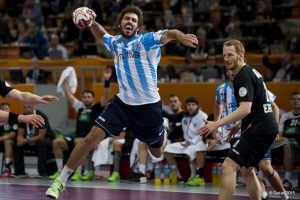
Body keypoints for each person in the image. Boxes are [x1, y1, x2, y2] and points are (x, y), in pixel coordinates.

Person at [46, 5, 198, 199]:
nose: (130, 22)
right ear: (120, 23)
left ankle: (164, 129)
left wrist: (181, 36)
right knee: (91, 137)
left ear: (138, 27)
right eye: (127, 19)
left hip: (148, 106)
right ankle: (60, 181)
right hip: (122, 104)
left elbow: (169, 33)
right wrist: (92, 22)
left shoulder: (146, 41)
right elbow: (101, 35)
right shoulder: (116, 43)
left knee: (157, 152)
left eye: (134, 20)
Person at [199, 39, 278, 200]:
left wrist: (217, 123)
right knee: (247, 170)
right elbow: (252, 108)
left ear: (241, 55)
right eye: (224, 55)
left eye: (230, 55)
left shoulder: (243, 75)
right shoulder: (249, 72)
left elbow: (245, 108)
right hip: (260, 126)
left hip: (259, 128)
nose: (226, 58)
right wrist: (236, 125)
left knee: (228, 167)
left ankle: (283, 194)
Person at [49, 68, 111, 181]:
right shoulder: (79, 107)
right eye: (85, 97)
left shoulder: (97, 108)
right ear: (82, 98)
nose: (87, 99)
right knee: (57, 142)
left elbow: (106, 96)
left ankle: (78, 172)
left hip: (89, 140)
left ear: (93, 98)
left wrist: (106, 80)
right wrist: (65, 79)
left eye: (89, 97)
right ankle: (59, 171)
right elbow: (68, 94)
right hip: (76, 138)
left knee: (79, 142)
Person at [13, 104, 55, 177]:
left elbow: (41, 136)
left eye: (29, 107)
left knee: (41, 143)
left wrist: (25, 140)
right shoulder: (22, 117)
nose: (27, 109)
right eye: (25, 107)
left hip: (46, 139)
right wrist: (19, 140)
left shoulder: (41, 116)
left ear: (33, 107)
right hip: (30, 140)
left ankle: (42, 172)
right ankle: (19, 171)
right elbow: (20, 133)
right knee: (16, 143)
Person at [270, 91, 300, 191]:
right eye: (293, 99)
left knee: (287, 145)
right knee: (265, 144)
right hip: (285, 143)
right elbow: (279, 135)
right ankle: (261, 177)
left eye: (298, 99)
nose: (296, 101)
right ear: (290, 102)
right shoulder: (285, 116)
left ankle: (287, 180)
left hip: (297, 145)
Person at [0, 103, 18, 177]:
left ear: (9, 110)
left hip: (12, 141)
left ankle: (7, 166)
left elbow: (12, 135)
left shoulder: (13, 119)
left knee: (7, 142)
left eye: (6, 109)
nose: (4, 110)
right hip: (1, 141)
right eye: (3, 109)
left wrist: (1, 138)